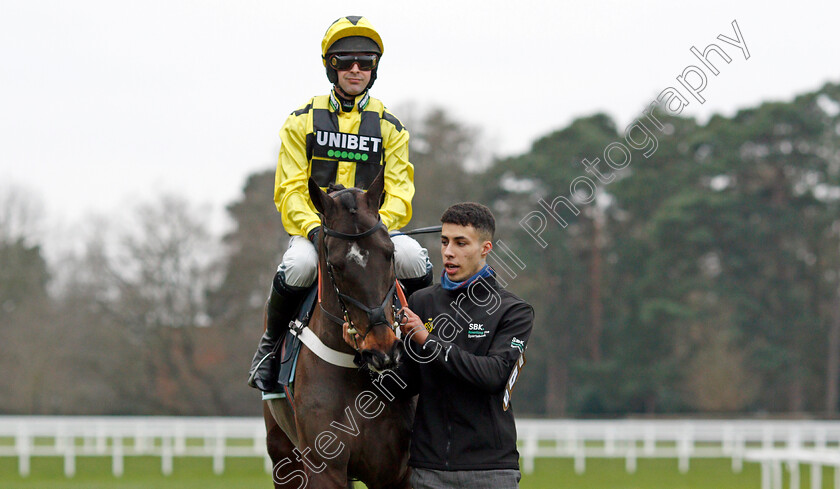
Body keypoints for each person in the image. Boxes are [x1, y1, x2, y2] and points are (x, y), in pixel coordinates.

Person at [248, 16, 433, 392]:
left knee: (414, 258)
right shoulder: (300, 122)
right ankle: (270, 349)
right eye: (344, 60)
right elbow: (290, 190)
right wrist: (315, 230)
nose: (355, 69)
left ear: (374, 69)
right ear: (329, 65)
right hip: (318, 231)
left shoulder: (390, 127)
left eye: (365, 62)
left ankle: (423, 345)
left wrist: (373, 226)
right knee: (298, 265)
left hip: (373, 231)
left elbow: (401, 192)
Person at [346, 202, 534, 489]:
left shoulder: (514, 311)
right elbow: (403, 386)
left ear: (485, 248)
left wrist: (428, 340)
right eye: (444, 241)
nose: (448, 252)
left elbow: (494, 376)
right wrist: (365, 354)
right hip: (427, 473)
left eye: (461, 243)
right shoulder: (421, 302)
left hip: (491, 472)